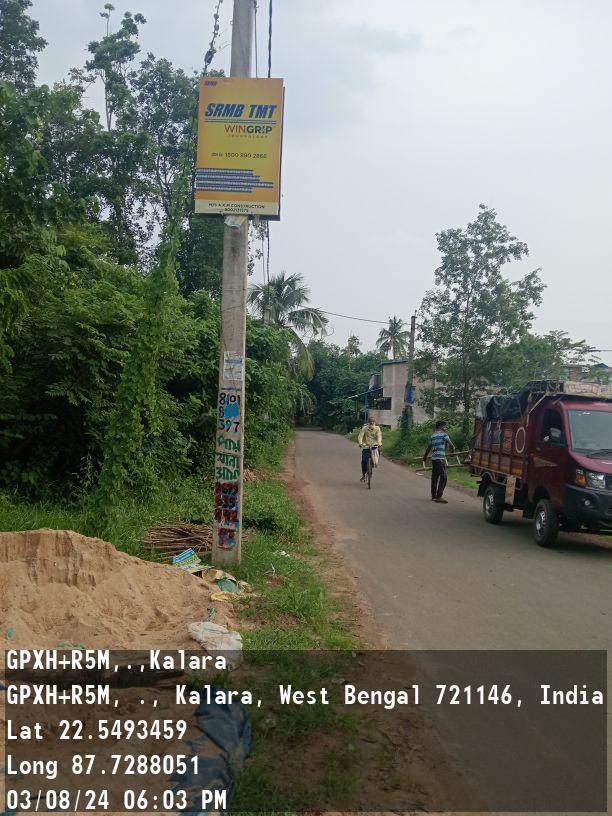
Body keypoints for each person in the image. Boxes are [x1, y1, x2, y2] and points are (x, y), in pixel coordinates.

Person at [423, 420, 455, 503]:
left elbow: (429, 447)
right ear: (441, 426)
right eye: (445, 426)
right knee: (443, 477)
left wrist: (424, 457)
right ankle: (439, 496)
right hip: (440, 459)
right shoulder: (444, 435)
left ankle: (434, 496)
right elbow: (451, 445)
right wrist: (452, 451)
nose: (445, 428)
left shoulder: (433, 436)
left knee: (435, 477)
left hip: (434, 459)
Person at [358, 416, 382, 482]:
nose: (371, 423)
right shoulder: (365, 428)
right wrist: (360, 443)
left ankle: (372, 465)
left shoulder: (377, 428)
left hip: (374, 445)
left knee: (376, 457)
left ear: (374, 422)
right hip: (366, 446)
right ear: (368, 422)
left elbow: (379, 436)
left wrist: (379, 443)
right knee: (363, 461)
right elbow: (360, 436)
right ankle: (363, 475)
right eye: (370, 421)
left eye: (373, 421)